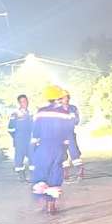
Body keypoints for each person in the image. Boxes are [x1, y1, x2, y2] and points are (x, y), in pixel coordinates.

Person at [29, 85, 74, 213]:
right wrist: (65, 149)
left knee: (42, 175)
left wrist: (33, 150)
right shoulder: (66, 113)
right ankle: (51, 205)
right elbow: (68, 132)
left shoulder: (41, 112)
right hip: (58, 148)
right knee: (55, 174)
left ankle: (43, 199)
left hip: (43, 147)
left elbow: (35, 132)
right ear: (59, 97)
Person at [7, 94, 34, 174]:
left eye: (25, 101)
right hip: (19, 141)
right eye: (22, 102)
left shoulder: (31, 114)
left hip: (30, 140)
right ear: (19, 103)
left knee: (33, 158)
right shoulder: (15, 115)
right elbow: (10, 129)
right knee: (19, 159)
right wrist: (16, 138)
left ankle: (34, 177)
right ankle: (21, 176)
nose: (24, 103)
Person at [60, 91, 83, 174]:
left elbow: (77, 121)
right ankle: (65, 171)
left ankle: (80, 169)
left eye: (67, 97)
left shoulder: (73, 108)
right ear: (60, 99)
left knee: (74, 151)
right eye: (64, 97)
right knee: (62, 152)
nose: (66, 99)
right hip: (59, 134)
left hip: (70, 132)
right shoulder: (56, 109)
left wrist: (71, 120)